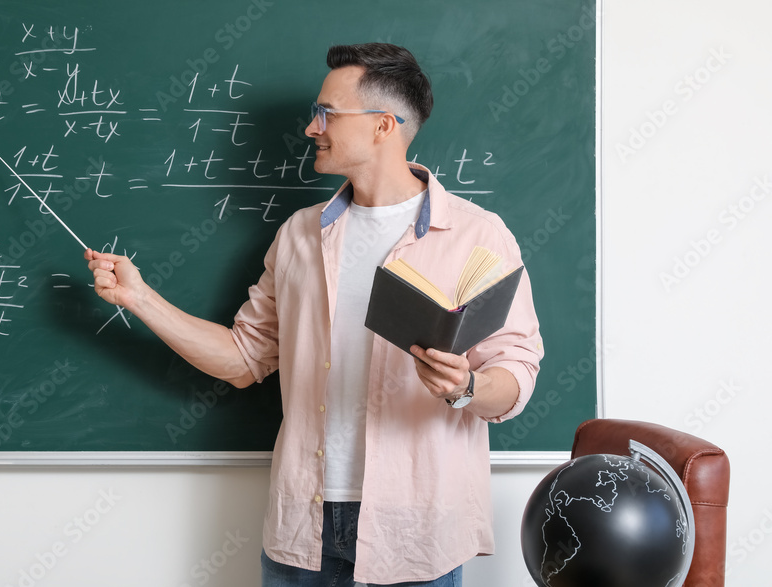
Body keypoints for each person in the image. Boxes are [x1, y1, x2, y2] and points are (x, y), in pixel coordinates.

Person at [85, 43, 542, 586]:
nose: (311, 128)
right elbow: (243, 358)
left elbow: (516, 373)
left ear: (383, 126)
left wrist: (466, 386)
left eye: (327, 113)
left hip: (416, 528)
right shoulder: (301, 235)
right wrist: (141, 299)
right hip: (304, 521)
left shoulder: (476, 234)